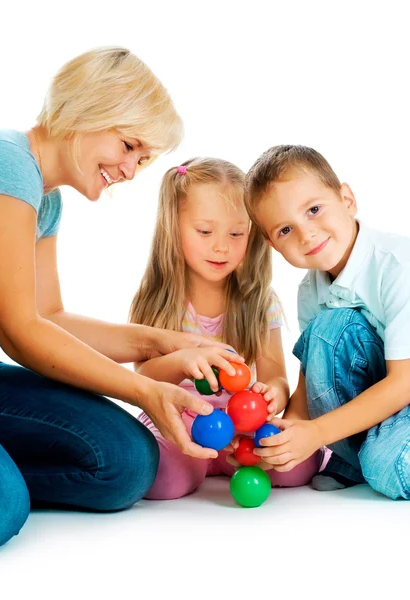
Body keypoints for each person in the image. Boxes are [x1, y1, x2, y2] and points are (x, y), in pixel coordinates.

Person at [0, 47, 234, 553]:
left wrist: (166, 343)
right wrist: (143, 392)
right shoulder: (4, 161)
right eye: (129, 145)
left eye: (142, 159)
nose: (130, 169)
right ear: (89, 111)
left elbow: (50, 318)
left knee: (126, 463)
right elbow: (16, 328)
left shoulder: (44, 202)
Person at [243, 145, 410, 500]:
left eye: (315, 210)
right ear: (273, 244)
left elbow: (402, 386)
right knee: (327, 332)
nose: (307, 234)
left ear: (347, 199)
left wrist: (318, 434)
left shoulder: (398, 266)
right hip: (389, 382)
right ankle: (369, 453)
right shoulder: (311, 289)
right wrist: (275, 443)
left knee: (391, 469)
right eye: (286, 230)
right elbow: (310, 383)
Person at [129, 157, 325, 499]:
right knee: (163, 481)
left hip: (243, 424)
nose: (221, 246)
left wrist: (271, 394)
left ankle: (224, 462)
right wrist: (183, 361)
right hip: (183, 420)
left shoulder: (259, 301)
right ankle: (197, 464)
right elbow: (143, 378)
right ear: (173, 227)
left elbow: (276, 375)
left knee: (297, 470)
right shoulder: (158, 298)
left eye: (236, 233)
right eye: (205, 231)